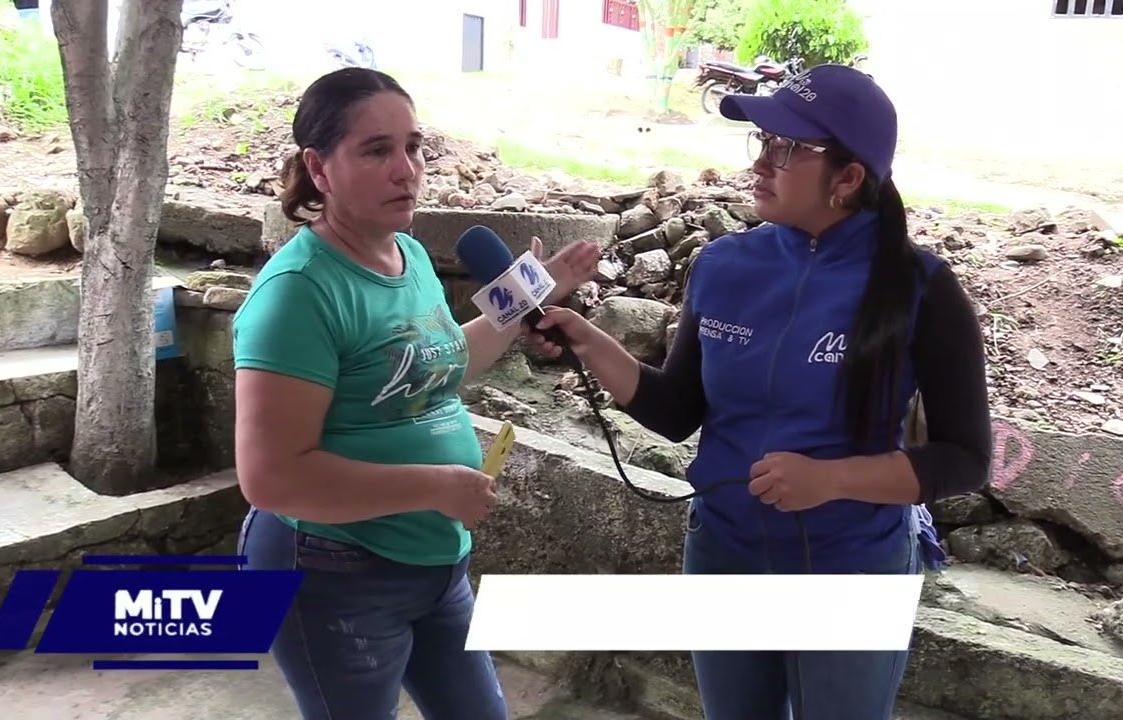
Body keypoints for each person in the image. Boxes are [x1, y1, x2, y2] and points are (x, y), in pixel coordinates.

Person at [524, 64, 992, 720]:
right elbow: (678, 410)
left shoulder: (922, 290)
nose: (761, 163)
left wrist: (831, 481)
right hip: (723, 553)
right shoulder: (722, 267)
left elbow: (965, 457)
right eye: (762, 143)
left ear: (849, 179)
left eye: (787, 149)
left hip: (851, 569)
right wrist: (586, 340)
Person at [230, 67, 598, 720]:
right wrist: (433, 486)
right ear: (319, 168)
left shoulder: (409, 255)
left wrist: (532, 288)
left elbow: (440, 368)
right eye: (376, 150)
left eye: (412, 146)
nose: (407, 170)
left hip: (434, 565)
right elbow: (271, 478)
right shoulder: (297, 294)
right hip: (332, 571)